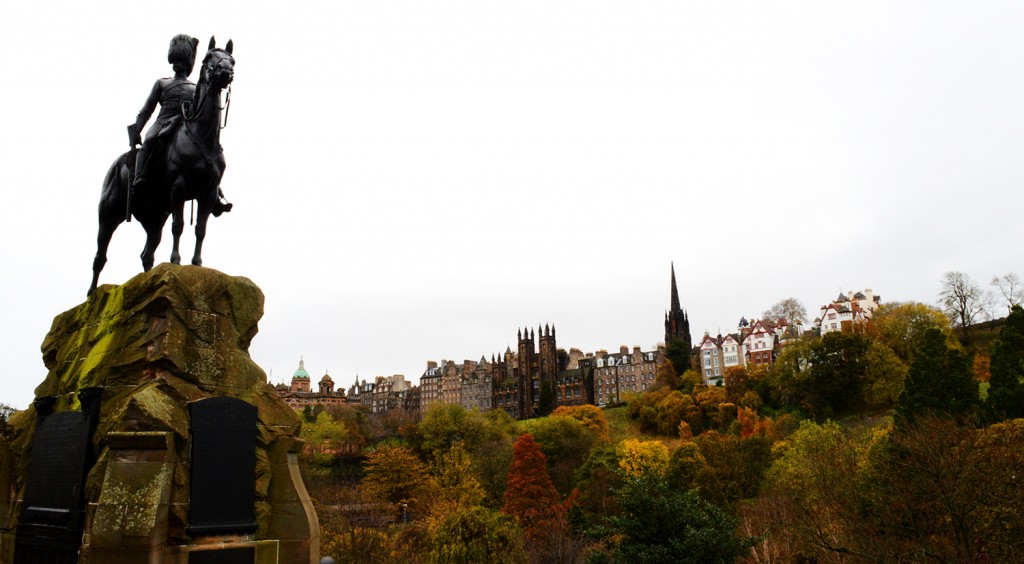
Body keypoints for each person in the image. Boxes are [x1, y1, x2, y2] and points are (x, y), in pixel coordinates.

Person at [132, 34, 231, 215]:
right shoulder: (162, 83)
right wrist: (137, 128)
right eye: (175, 61)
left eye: (181, 62)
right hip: (163, 122)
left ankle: (215, 192)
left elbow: (199, 109)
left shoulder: (195, 87)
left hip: (184, 124)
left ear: (188, 65)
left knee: (209, 153)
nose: (176, 65)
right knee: (150, 139)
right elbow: (147, 110)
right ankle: (140, 177)